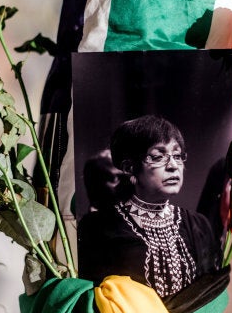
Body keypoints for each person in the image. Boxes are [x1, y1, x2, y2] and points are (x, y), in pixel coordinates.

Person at [77, 115, 220, 297]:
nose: (173, 166)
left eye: (177, 156)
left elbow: (210, 295)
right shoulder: (97, 227)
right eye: (158, 157)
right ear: (129, 167)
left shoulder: (198, 225)